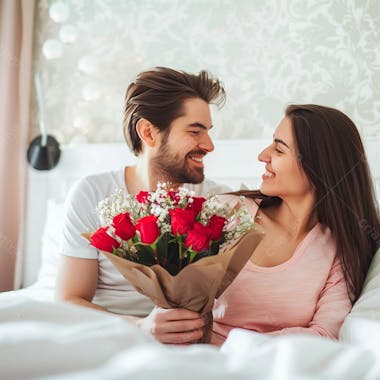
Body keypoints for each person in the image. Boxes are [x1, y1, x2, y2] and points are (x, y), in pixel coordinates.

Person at [136, 104, 380, 345]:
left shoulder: (340, 249)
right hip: (194, 358)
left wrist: (232, 348)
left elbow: (325, 334)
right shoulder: (226, 211)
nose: (263, 155)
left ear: (317, 167)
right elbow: (175, 298)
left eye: (279, 149)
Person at [56, 67, 230, 318]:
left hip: (187, 341)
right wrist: (139, 328)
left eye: (208, 131)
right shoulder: (92, 193)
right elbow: (69, 300)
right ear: (148, 132)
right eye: (195, 131)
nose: (209, 145)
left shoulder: (218, 202)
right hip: (108, 335)